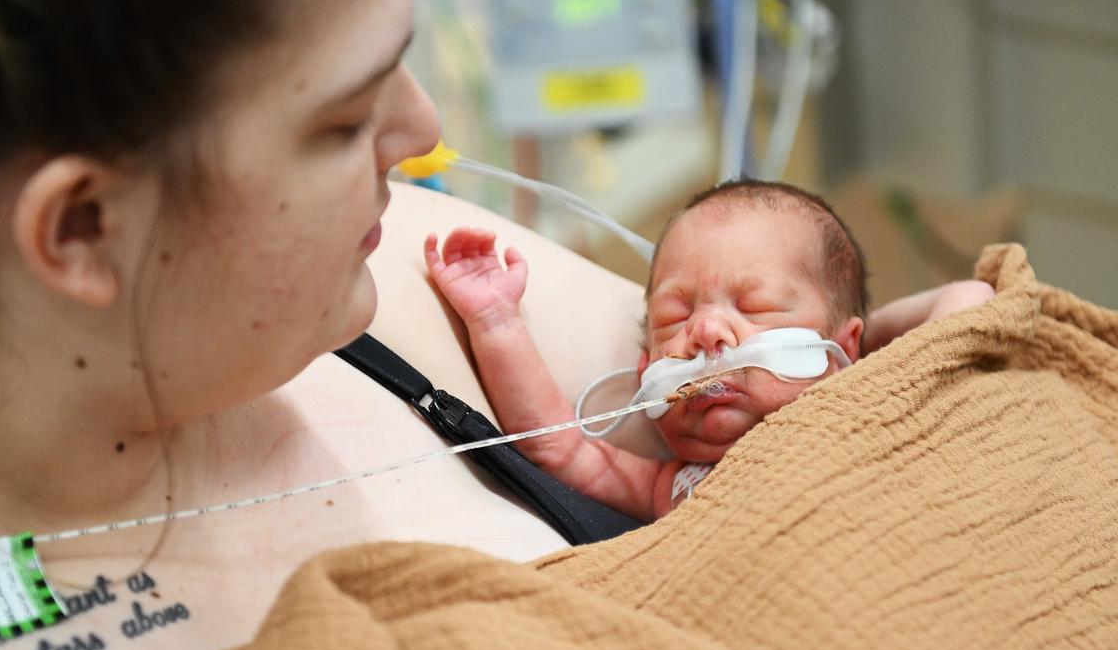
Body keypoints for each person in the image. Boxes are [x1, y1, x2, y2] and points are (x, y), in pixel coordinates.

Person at [0, 0, 963, 650]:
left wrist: (945, 342)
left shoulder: (408, 267)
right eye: (339, 121)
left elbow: (815, 383)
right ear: (83, 227)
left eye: (401, 66)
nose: (422, 133)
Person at [425, 180, 995, 521]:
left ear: (833, 348)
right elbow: (557, 449)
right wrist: (496, 320)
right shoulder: (671, 484)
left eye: (758, 307)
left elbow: (970, 297)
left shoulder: (876, 414)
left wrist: (862, 352)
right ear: (647, 372)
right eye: (675, 315)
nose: (707, 332)